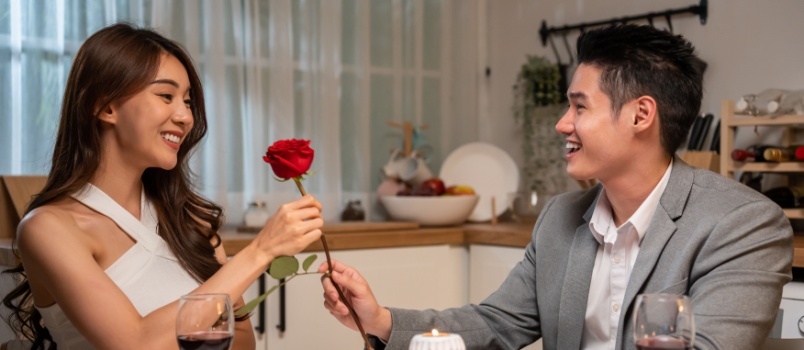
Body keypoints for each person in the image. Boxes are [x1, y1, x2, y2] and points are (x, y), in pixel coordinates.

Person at [320, 24, 794, 350]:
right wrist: (379, 320)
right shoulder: (561, 217)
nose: (562, 124)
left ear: (640, 115)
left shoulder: (743, 224)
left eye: (580, 107)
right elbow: (496, 325)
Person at [1, 23, 324, 349]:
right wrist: (261, 251)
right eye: (166, 96)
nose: (185, 116)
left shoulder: (191, 220)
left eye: (187, 101)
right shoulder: (49, 229)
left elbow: (241, 340)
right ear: (105, 107)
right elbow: (135, 343)